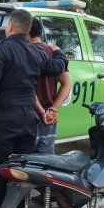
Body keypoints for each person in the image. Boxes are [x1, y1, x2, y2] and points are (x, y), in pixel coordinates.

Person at [0, 9, 68, 208]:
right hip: (28, 118)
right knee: (20, 167)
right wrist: (59, 51)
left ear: (10, 27)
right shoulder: (37, 53)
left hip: (3, 119)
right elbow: (58, 67)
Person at [28, 18, 72, 154]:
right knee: (45, 164)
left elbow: (27, 87)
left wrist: (42, 111)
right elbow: (67, 83)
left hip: (29, 114)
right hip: (49, 116)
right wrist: (53, 109)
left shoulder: (24, 52)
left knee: (23, 165)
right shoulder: (54, 53)